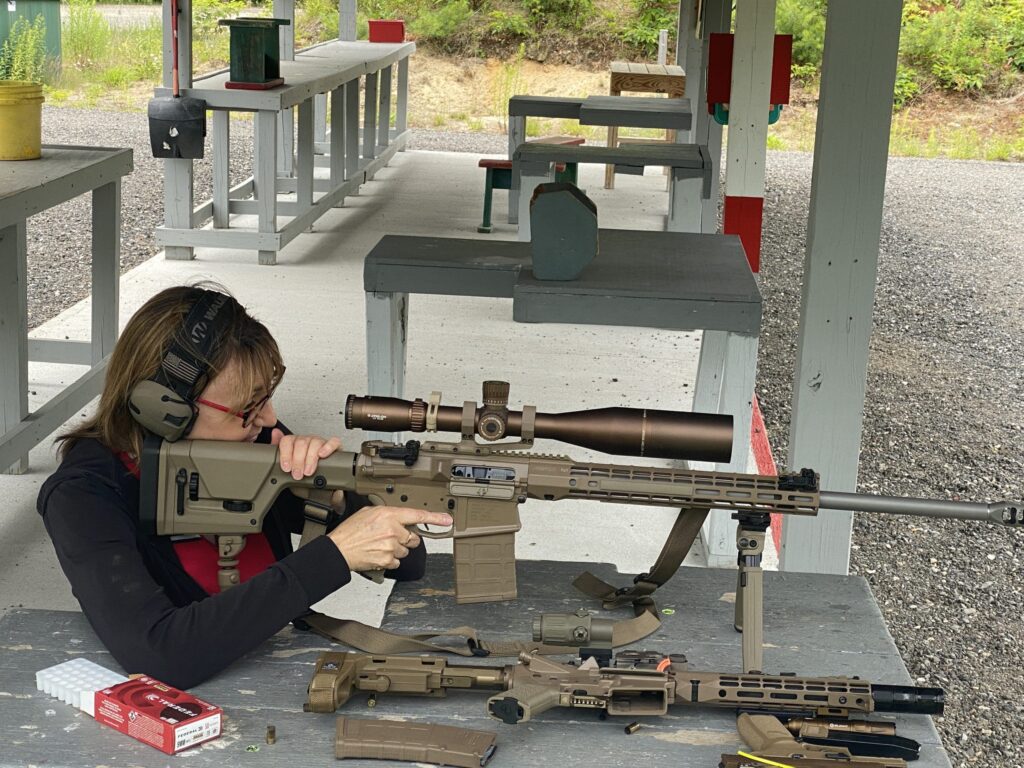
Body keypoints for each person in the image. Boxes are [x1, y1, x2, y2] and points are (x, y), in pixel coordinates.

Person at [37, 285, 452, 689]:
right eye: (248, 407)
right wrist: (334, 555)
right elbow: (162, 654)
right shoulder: (83, 497)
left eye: (266, 397)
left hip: (277, 674)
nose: (269, 418)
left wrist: (340, 498)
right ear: (163, 411)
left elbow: (410, 565)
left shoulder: (252, 440)